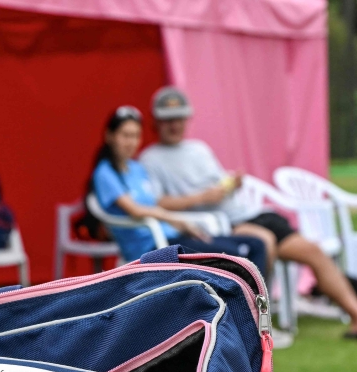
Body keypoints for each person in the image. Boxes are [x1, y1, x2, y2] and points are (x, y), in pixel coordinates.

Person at [140, 86, 357, 339]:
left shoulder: (199, 149)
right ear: (156, 122)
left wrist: (232, 183)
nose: (174, 125)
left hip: (252, 212)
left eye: (179, 118)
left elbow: (220, 183)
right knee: (264, 245)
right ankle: (258, 323)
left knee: (313, 251)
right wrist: (200, 198)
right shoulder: (150, 159)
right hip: (223, 224)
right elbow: (156, 203)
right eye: (168, 120)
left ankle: (354, 315)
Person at [89, 105, 268, 277]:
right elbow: (136, 210)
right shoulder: (105, 173)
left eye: (136, 136)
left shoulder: (136, 169)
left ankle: (255, 305)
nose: (131, 142)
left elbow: (155, 202)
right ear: (110, 136)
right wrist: (178, 221)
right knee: (234, 254)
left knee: (257, 244)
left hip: (172, 235)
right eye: (125, 135)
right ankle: (239, 304)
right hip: (152, 246)